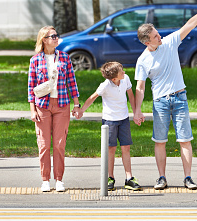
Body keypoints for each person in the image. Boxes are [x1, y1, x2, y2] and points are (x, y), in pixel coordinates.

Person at [134, 0, 197, 190]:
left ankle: (188, 177)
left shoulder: (171, 41)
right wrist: (137, 110)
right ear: (147, 42)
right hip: (160, 102)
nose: (160, 36)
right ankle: (161, 178)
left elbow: (190, 24)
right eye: (155, 36)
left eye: (158, 33)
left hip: (180, 98)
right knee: (160, 141)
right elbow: (140, 87)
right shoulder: (143, 60)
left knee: (184, 140)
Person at [28, 26, 80, 193]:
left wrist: (76, 104)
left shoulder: (65, 58)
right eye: (53, 36)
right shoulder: (35, 60)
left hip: (62, 104)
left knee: (59, 144)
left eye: (57, 36)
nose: (56, 38)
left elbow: (72, 82)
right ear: (44, 39)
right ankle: (45, 180)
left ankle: (59, 179)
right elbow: (31, 87)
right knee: (43, 145)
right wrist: (32, 109)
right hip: (42, 106)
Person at [75, 61, 142, 191]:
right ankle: (110, 177)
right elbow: (92, 97)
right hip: (109, 121)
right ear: (114, 78)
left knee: (126, 147)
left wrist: (136, 113)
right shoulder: (105, 85)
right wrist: (82, 110)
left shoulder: (125, 79)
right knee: (111, 149)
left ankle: (129, 178)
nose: (124, 72)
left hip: (123, 119)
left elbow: (131, 96)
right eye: (121, 71)